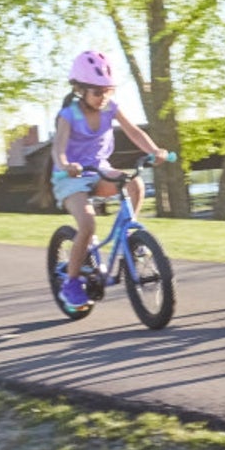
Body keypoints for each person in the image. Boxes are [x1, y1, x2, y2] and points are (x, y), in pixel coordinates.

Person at [52, 50, 169, 310]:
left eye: (108, 90)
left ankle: (130, 233)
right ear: (81, 89)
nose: (103, 97)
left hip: (99, 170)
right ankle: (71, 283)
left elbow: (135, 132)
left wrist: (153, 150)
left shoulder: (111, 109)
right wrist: (65, 165)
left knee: (134, 182)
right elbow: (58, 148)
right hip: (70, 178)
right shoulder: (68, 115)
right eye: (97, 92)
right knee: (88, 223)